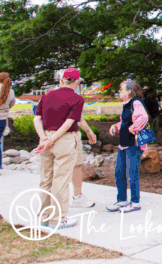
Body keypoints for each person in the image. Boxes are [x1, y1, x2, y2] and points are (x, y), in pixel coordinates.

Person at [33, 68, 84, 229]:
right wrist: (51, 139)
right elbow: (68, 123)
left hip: (46, 137)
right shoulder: (77, 99)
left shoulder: (46, 96)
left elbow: (37, 119)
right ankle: (58, 220)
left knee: (45, 180)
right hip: (64, 139)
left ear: (62, 80)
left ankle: (43, 217)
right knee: (61, 180)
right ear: (77, 82)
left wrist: (43, 138)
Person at [106, 79, 148, 213]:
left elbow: (143, 117)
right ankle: (122, 200)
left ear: (129, 91)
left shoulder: (136, 103)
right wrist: (115, 126)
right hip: (123, 144)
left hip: (133, 145)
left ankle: (135, 203)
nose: (119, 91)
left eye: (121, 89)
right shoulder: (126, 105)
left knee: (132, 173)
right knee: (119, 172)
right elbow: (124, 122)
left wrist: (134, 128)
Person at [70, 113, 98, 208]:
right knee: (74, 166)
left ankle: (77, 197)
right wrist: (89, 131)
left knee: (77, 165)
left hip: (51, 134)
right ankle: (75, 197)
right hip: (68, 135)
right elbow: (77, 116)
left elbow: (78, 116)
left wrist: (89, 131)